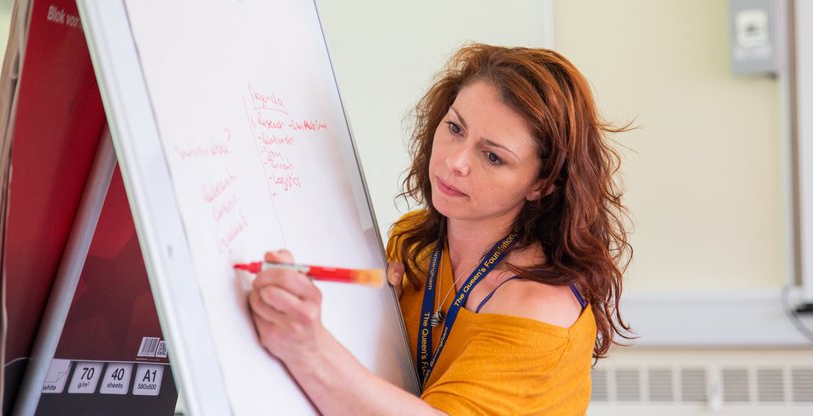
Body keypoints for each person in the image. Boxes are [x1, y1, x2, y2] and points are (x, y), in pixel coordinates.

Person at [247, 43, 632, 415]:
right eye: (455, 128)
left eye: (493, 156)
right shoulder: (414, 241)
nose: (456, 160)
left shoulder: (540, 309)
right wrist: (366, 315)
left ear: (541, 185)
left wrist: (310, 349)